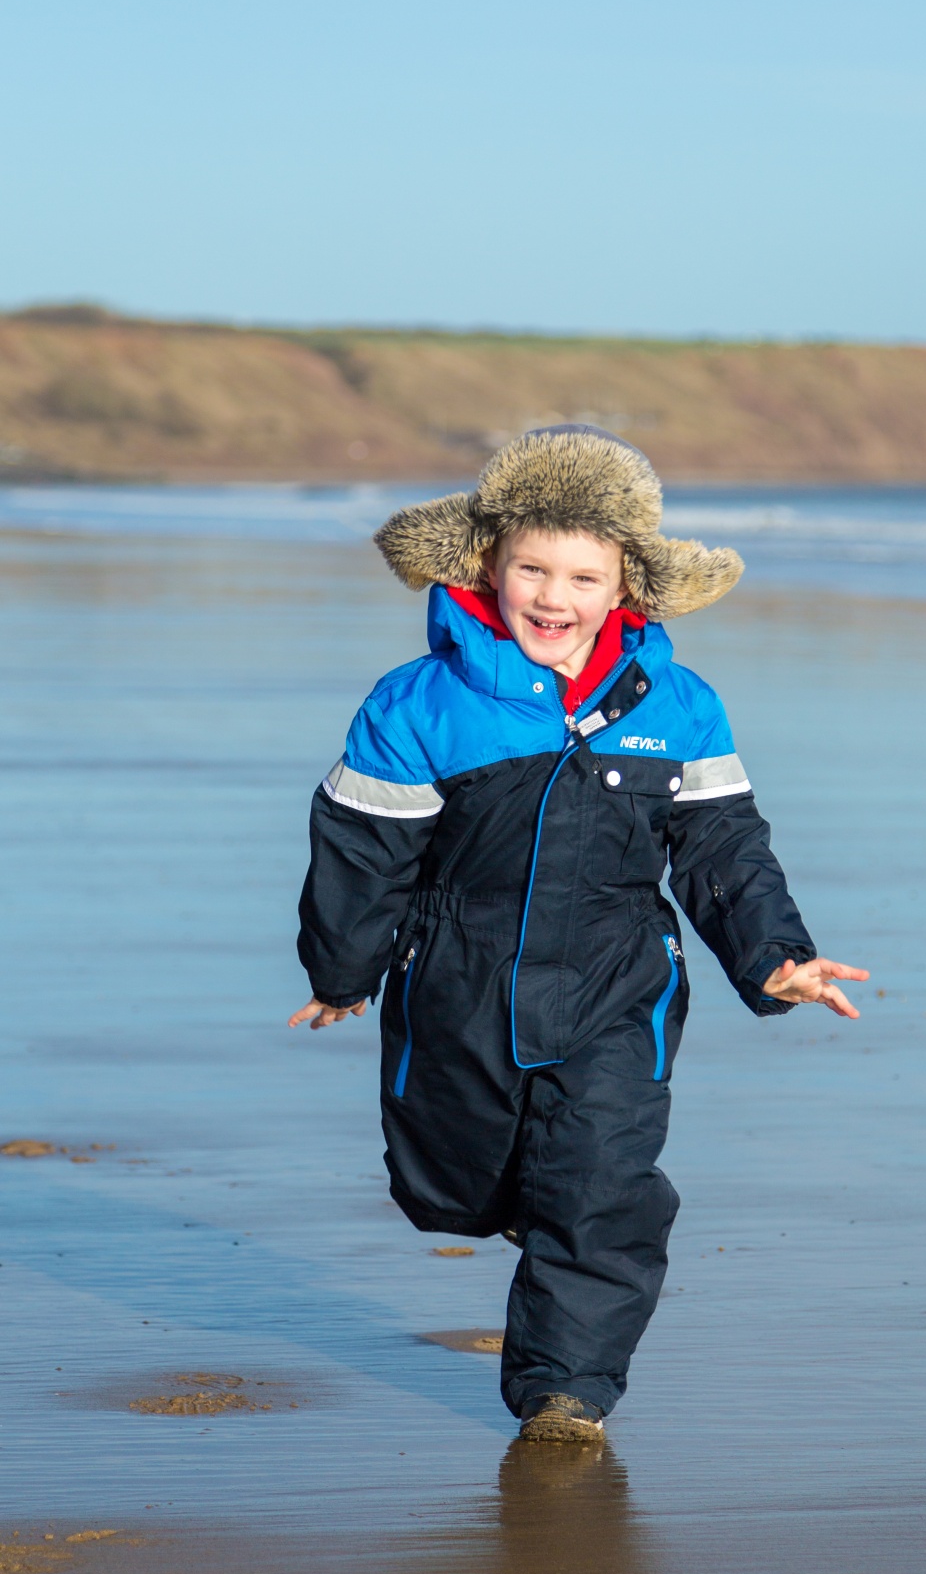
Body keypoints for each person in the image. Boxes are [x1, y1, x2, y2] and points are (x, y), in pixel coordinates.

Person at [290, 425, 867, 1442]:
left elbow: (722, 846)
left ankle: (567, 1394)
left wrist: (775, 956)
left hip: (617, 986)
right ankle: (517, 1201)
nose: (553, 596)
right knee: (448, 1187)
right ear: (487, 567)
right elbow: (360, 848)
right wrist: (342, 968)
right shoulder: (419, 703)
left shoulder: (675, 706)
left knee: (604, 1186)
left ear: (624, 588)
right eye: (532, 568)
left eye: (582, 576)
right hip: (457, 983)